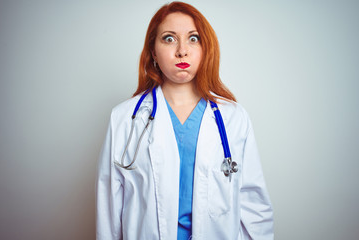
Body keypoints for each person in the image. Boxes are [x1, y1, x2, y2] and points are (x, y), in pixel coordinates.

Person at [96, 2, 273, 239]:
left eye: (193, 38)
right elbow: (109, 208)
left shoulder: (233, 117)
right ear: (153, 52)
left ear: (205, 48)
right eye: (169, 39)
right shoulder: (125, 118)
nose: (182, 50)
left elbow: (254, 207)